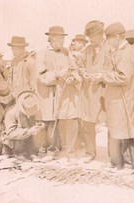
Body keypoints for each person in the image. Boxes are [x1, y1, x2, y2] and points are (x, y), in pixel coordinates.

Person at [91, 22, 134, 171]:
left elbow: (123, 77)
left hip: (125, 98)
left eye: (109, 38)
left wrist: (103, 76)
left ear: (117, 37)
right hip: (118, 98)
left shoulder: (127, 53)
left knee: (126, 129)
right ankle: (119, 163)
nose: (108, 42)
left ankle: (129, 166)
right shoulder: (120, 51)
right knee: (119, 129)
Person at [36, 26, 81, 163]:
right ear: (51, 39)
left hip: (66, 92)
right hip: (50, 93)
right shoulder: (42, 53)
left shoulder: (67, 52)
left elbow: (74, 69)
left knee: (71, 121)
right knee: (51, 122)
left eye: (62, 38)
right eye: (58, 38)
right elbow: (40, 75)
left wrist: (72, 77)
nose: (61, 41)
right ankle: (51, 151)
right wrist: (56, 74)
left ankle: (71, 152)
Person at [78, 20, 106, 163]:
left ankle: (115, 156)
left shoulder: (109, 48)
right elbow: (80, 65)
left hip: (106, 92)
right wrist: (84, 73)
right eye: (88, 37)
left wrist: (102, 76)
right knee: (88, 122)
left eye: (92, 37)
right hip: (89, 92)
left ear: (101, 34)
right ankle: (90, 152)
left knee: (112, 123)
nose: (90, 40)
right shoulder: (87, 49)